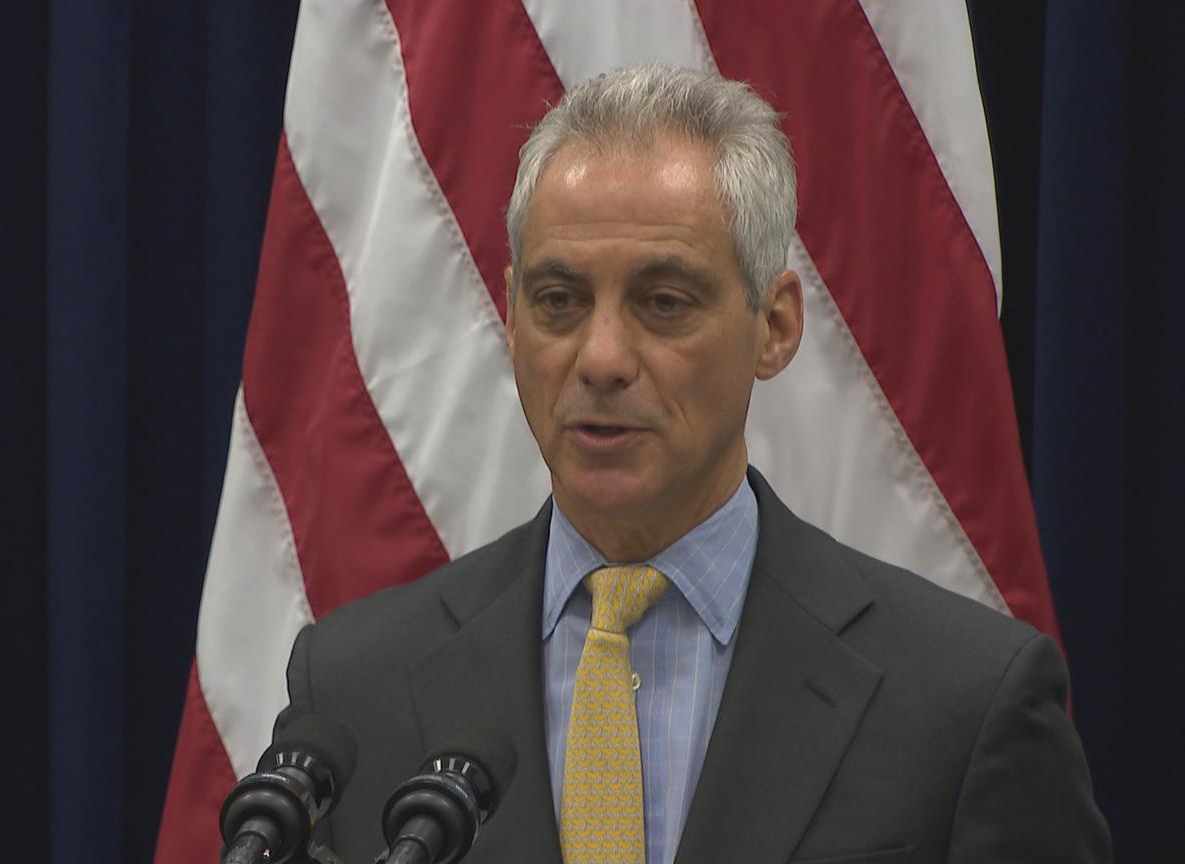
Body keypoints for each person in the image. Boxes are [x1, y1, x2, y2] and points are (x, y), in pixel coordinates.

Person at [274, 65, 1110, 863]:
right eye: (559, 301)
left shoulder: (966, 700)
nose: (601, 358)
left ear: (776, 326)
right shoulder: (353, 686)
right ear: (513, 317)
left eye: (663, 303)